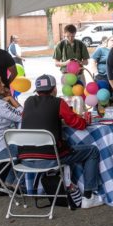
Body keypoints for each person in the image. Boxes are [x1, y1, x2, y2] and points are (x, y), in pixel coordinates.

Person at [19, 74, 104, 209]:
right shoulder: (58, 102)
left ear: (37, 91)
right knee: (92, 151)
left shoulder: (28, 101)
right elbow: (79, 124)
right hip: (51, 157)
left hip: (25, 159)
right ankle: (89, 195)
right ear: (54, 89)